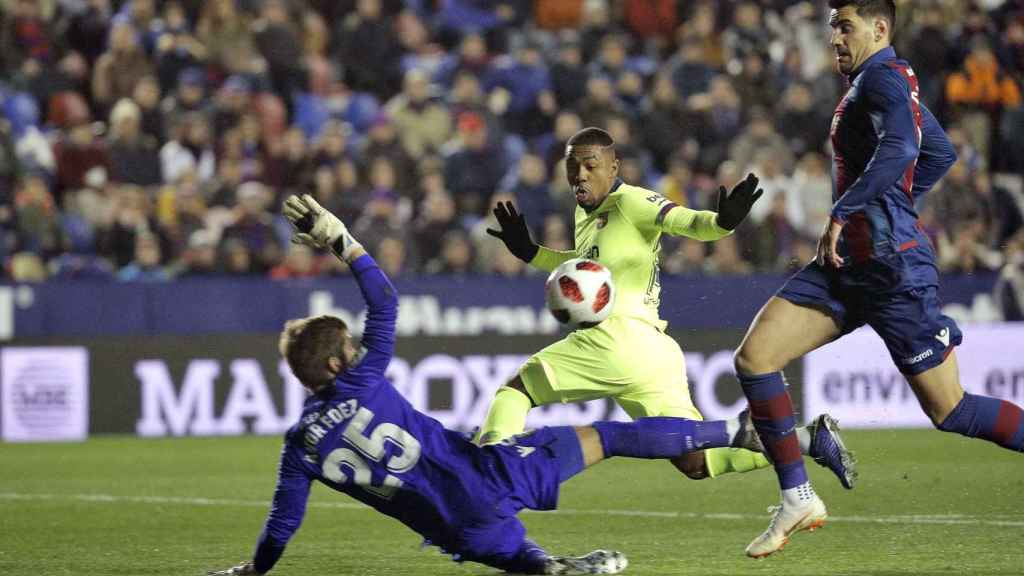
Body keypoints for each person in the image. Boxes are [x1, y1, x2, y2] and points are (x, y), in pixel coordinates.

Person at [208, 195, 767, 576]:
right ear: (334, 367)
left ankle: (549, 566)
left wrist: (256, 568)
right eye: (348, 349)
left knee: (526, 560)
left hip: (457, 533)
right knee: (611, 437)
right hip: (488, 472)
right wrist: (341, 240)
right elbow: (384, 300)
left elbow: (284, 522)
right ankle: (737, 431)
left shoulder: (300, 444)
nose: (356, 350)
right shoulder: (362, 380)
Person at [733, 0, 1024, 559]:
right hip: (848, 266)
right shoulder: (878, 81)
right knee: (756, 357)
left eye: (845, 26)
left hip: (892, 269)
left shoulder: (885, 78)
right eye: (831, 27)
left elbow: (908, 148)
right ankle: (798, 498)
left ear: (880, 28)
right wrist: (884, 206)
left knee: (951, 411)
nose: (835, 37)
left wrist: (849, 210)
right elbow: (939, 154)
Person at [478, 126, 855, 486]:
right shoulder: (586, 213)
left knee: (515, 391)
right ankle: (808, 439)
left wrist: (722, 221)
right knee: (696, 461)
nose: (580, 174)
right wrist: (530, 252)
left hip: (613, 340)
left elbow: (688, 222)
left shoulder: (632, 201)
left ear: (613, 167)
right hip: (651, 351)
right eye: (572, 166)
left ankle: (487, 468)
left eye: (590, 165)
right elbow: (584, 267)